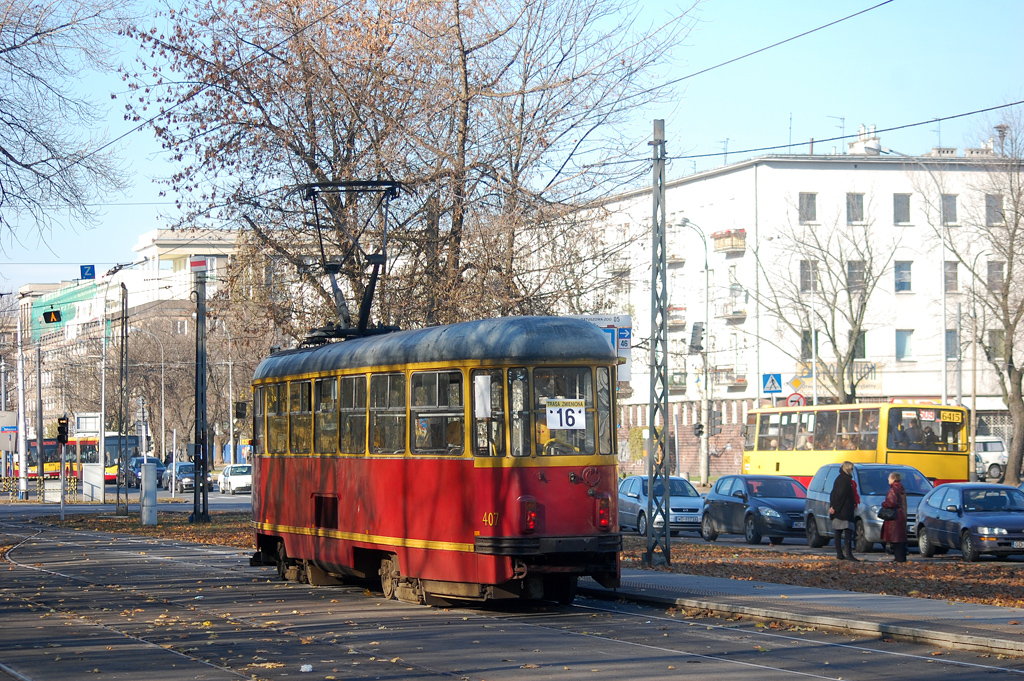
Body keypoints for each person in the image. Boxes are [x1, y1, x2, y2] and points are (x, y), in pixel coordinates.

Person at [829, 461, 859, 561]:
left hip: (840, 510)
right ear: (848, 469)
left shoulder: (840, 478)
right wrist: (835, 507)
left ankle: (840, 554)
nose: (852, 471)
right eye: (851, 469)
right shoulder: (845, 480)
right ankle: (848, 554)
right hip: (843, 510)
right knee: (847, 533)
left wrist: (833, 507)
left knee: (838, 532)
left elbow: (833, 494)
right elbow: (840, 495)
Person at [880, 471, 908, 563]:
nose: (888, 479)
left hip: (894, 517)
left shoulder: (893, 489)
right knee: (900, 538)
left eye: (889, 477)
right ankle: (900, 558)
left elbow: (891, 502)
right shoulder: (901, 488)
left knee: (895, 538)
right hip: (901, 515)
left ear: (893, 478)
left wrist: (884, 504)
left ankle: (899, 558)